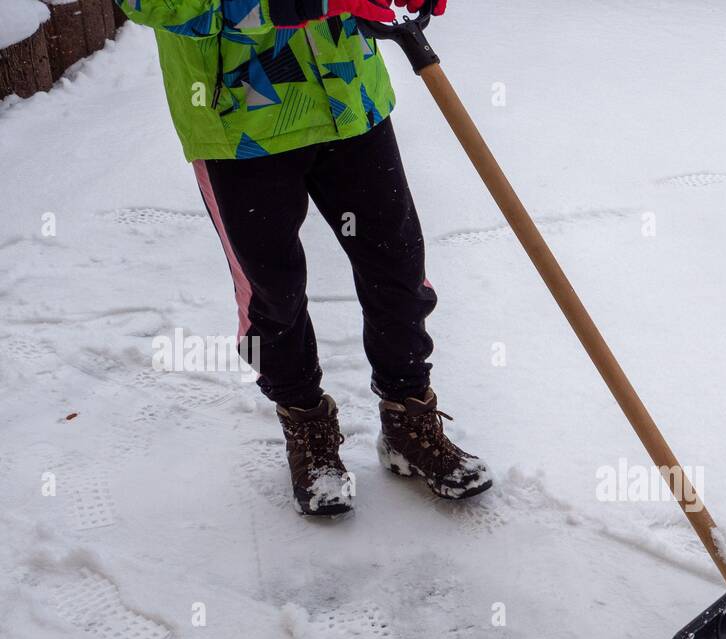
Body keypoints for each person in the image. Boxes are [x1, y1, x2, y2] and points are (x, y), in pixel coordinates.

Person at [116, 0, 491, 515]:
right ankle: (306, 427)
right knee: (272, 293)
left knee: (398, 269)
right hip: (239, 123)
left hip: (350, 97)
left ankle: (409, 418)